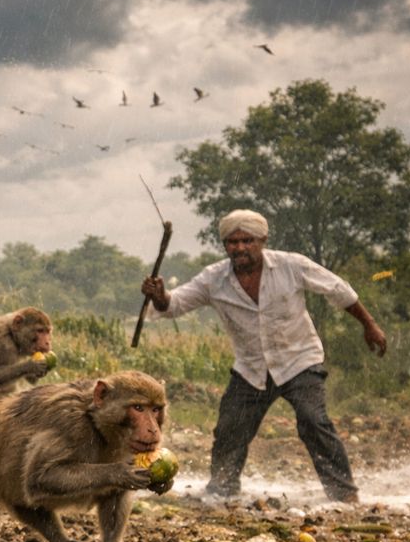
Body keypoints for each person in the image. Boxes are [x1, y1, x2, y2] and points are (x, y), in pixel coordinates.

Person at [141, 208, 386, 503]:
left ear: (262, 240)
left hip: (299, 361)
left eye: (247, 241)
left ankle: (344, 494)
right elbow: (176, 303)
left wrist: (369, 324)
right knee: (230, 428)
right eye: (233, 242)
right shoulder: (214, 279)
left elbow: (337, 289)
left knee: (313, 420)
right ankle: (222, 491)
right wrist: (159, 296)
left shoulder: (290, 266)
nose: (240, 248)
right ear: (225, 245)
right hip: (251, 368)